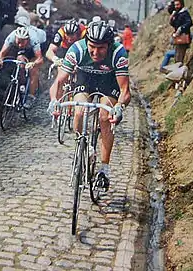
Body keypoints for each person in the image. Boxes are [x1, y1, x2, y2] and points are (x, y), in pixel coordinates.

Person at [48, 21, 131, 191]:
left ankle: (104, 169)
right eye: (92, 46)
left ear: (109, 45)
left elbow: (125, 90)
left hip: (109, 82)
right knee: (79, 112)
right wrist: (54, 102)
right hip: (85, 79)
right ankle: (81, 145)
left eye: (101, 48)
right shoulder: (77, 49)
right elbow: (59, 81)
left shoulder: (118, 53)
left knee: (104, 117)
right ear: (87, 42)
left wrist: (119, 107)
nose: (95, 52)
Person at [0, 25, 44, 108]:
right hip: (25, 49)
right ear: (15, 37)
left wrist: (33, 64)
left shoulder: (33, 39)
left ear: (27, 39)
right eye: (18, 41)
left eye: (23, 41)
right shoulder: (11, 37)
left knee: (33, 70)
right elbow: (1, 54)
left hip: (40, 44)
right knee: (20, 61)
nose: (20, 44)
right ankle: (22, 85)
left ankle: (31, 96)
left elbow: (40, 59)